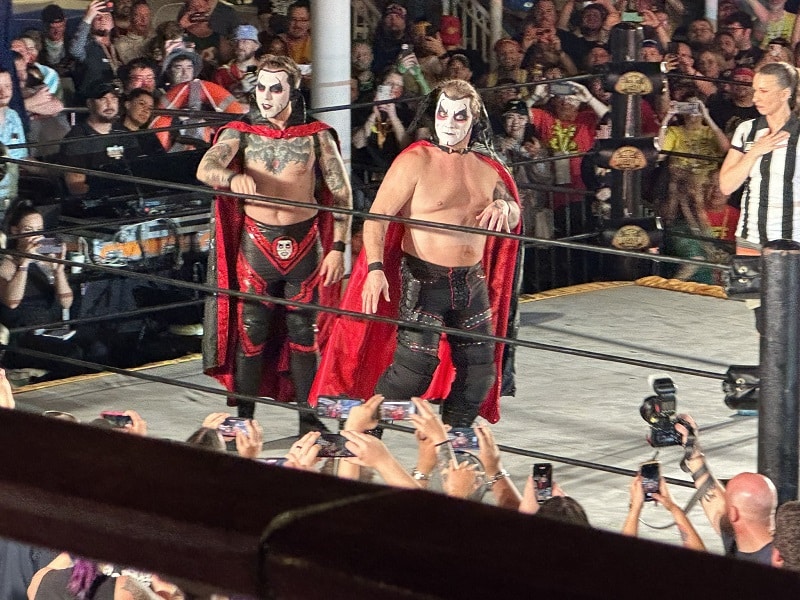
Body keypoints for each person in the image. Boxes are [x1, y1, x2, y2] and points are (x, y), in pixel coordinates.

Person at [312, 79, 521, 427]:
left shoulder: (488, 168)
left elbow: (514, 214)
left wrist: (504, 206)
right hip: (424, 280)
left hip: (471, 282)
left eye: (459, 116)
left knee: (479, 373)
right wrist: (375, 269)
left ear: (473, 119)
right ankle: (364, 433)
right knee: (413, 372)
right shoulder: (416, 160)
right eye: (443, 114)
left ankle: (455, 443)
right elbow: (378, 218)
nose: (449, 123)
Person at [195, 54, 352, 434]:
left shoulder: (315, 135)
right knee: (252, 330)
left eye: (275, 88)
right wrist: (231, 179)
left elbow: (341, 193)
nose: (265, 96)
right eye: (261, 87)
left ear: (292, 91)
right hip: (257, 243)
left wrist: (338, 248)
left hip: (305, 243)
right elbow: (205, 168)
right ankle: (244, 420)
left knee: (304, 333)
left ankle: (309, 421)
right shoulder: (241, 132)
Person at [719, 61, 800, 254]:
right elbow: (726, 185)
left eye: (763, 91)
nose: (755, 97)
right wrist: (755, 151)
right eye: (755, 90)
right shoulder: (746, 129)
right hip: (751, 235)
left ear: (784, 94)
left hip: (792, 238)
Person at [677, 415, 777, 563]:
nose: (723, 503)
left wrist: (674, 510)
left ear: (734, 514)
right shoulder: (741, 536)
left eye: (727, 501)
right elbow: (716, 508)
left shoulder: (776, 563)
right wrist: (693, 452)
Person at [0, 69, 29, 210]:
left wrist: (52, 171)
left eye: (7, 86)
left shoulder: (13, 116)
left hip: (11, 196)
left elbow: (22, 157)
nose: (3, 92)